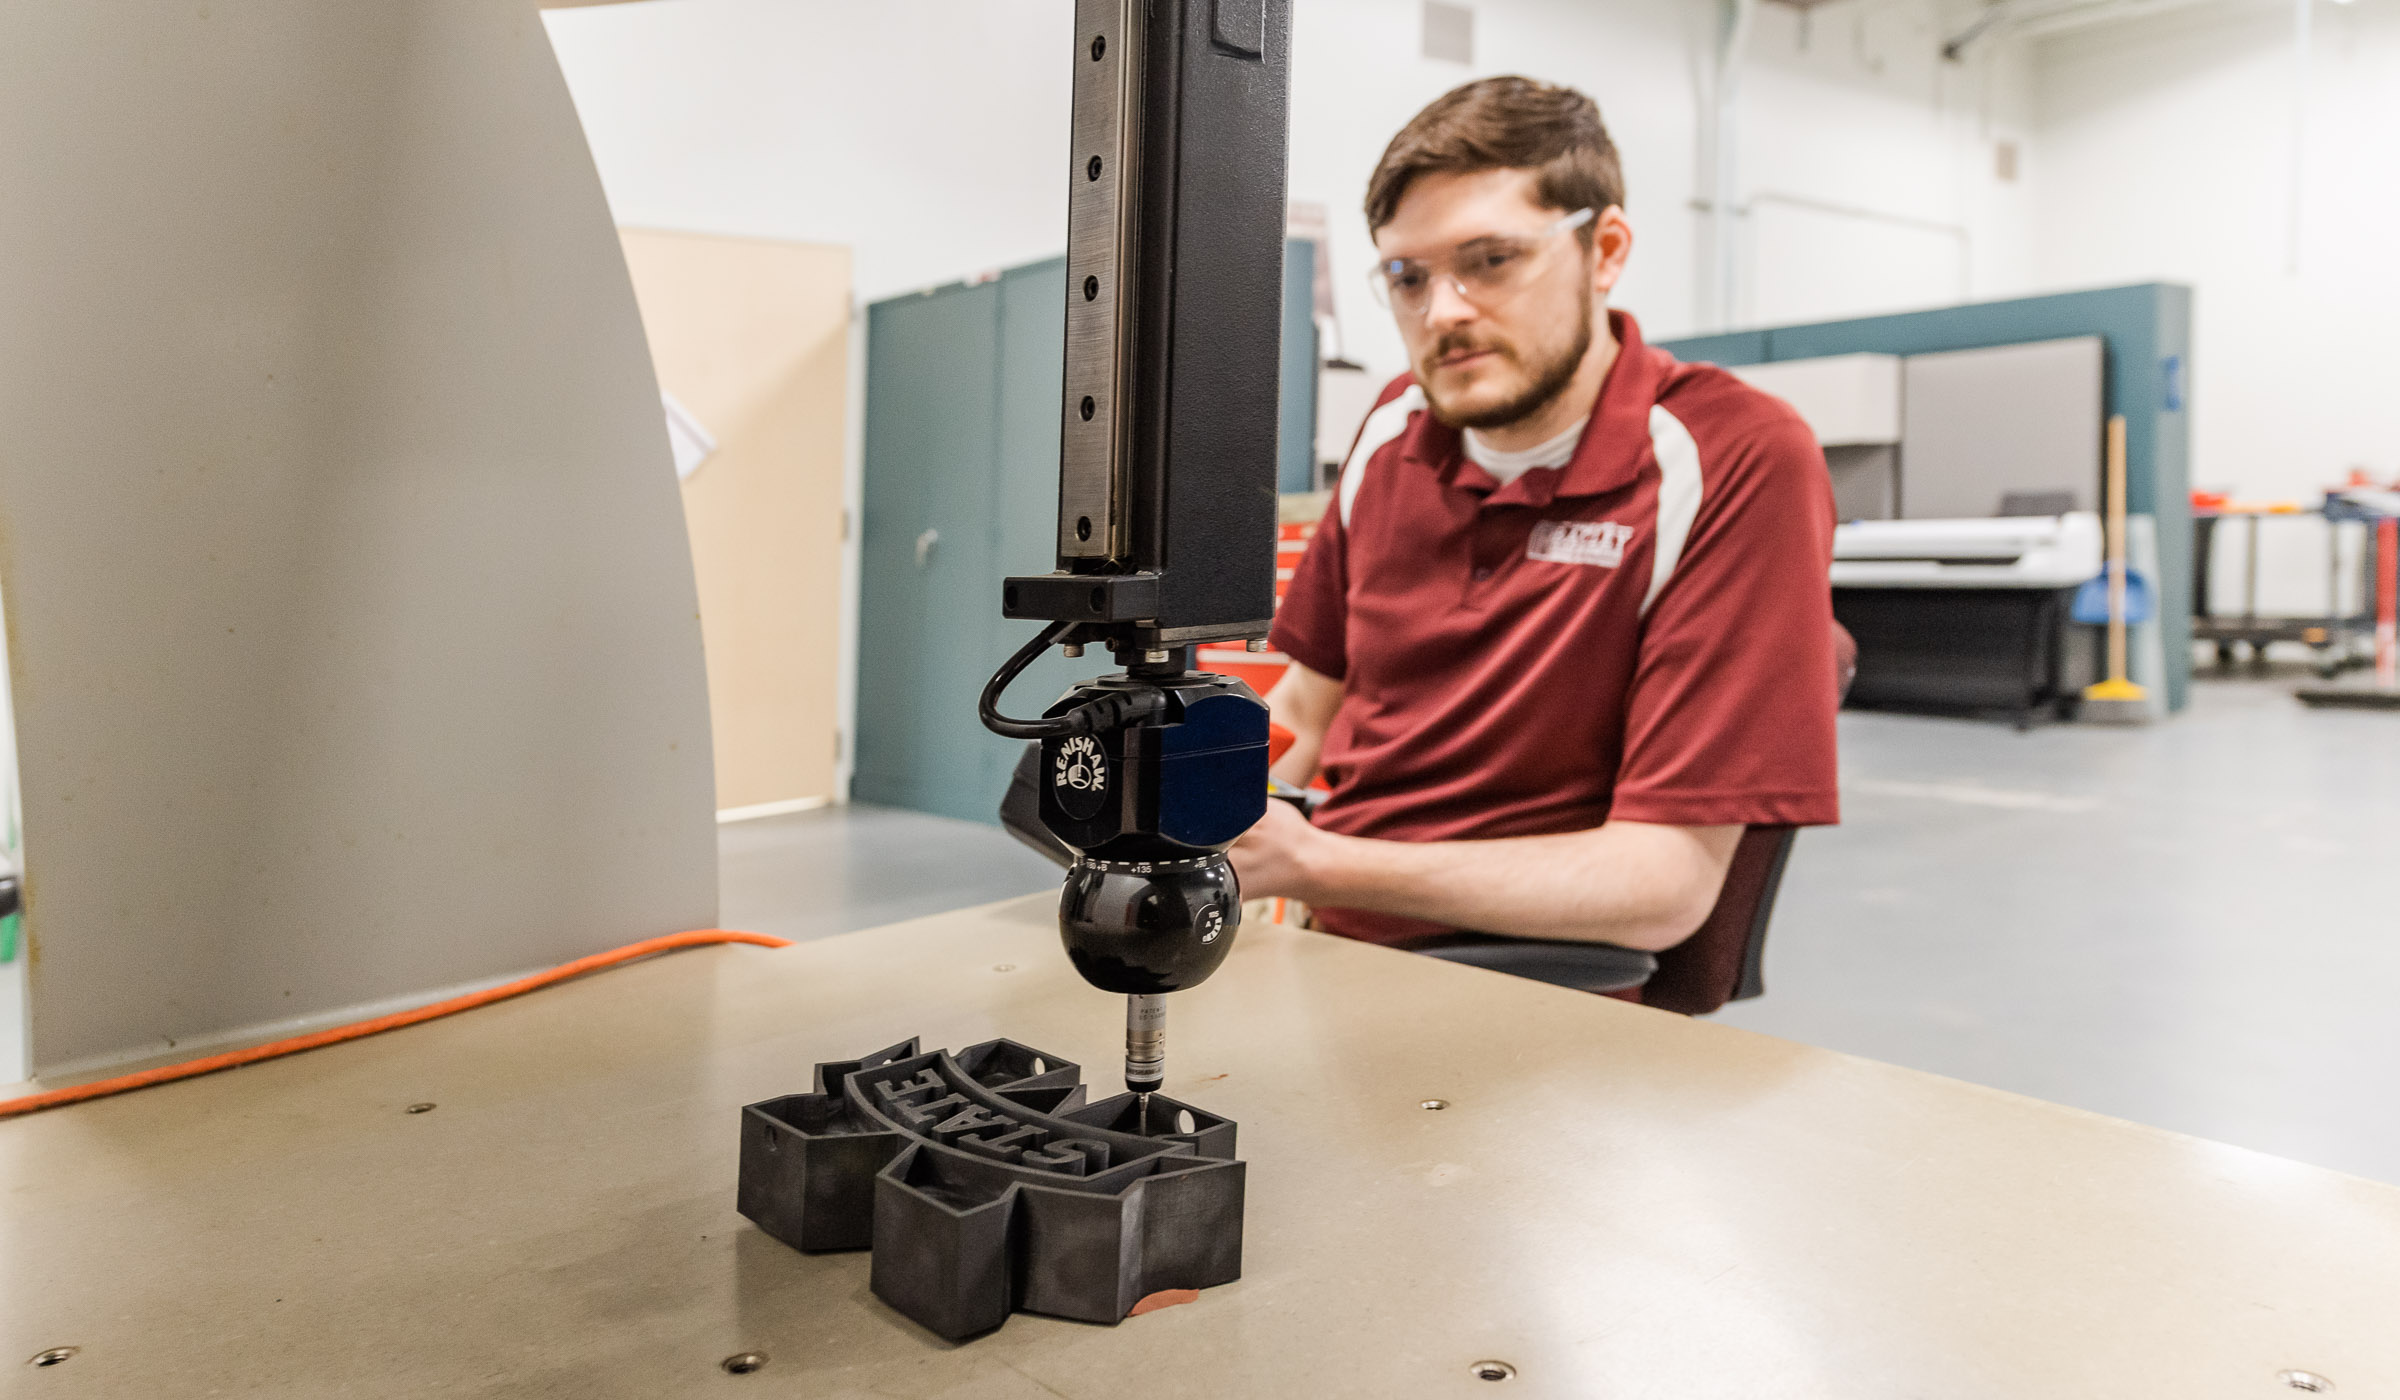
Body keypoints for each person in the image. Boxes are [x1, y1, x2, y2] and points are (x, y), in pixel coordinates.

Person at [1229, 76, 1841, 983]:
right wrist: (1196, 798)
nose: (1443, 312)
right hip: (1336, 947)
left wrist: (1316, 860)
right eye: (1408, 276)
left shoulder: (1733, 454)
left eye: (1491, 260)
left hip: (1552, 984)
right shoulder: (1394, 427)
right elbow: (1302, 716)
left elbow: (1664, 883)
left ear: (1606, 250)